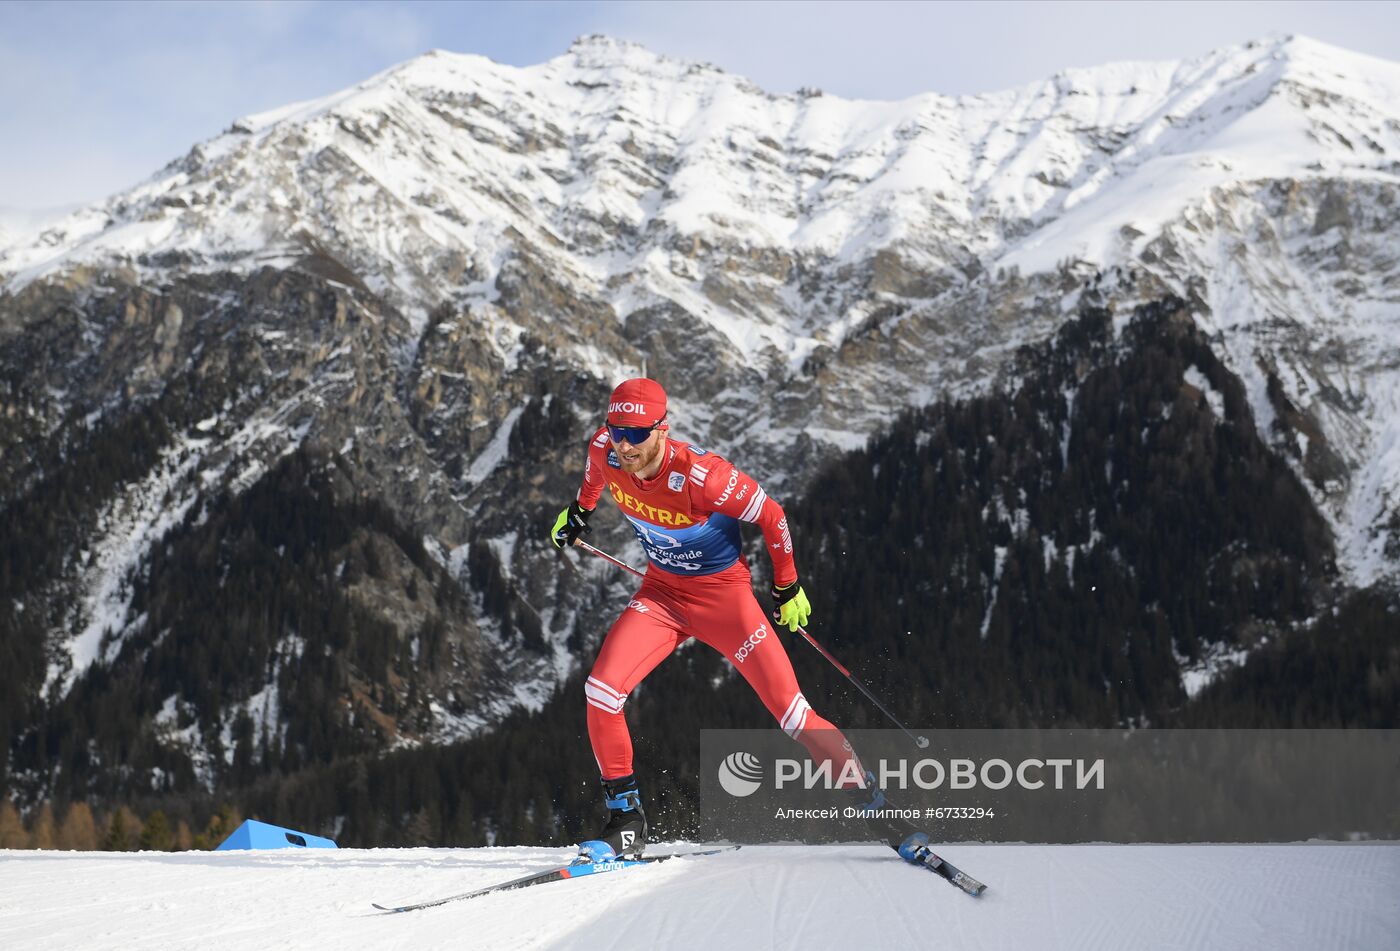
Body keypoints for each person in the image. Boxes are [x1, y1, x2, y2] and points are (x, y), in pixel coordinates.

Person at [550, 377, 870, 863]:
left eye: (637, 433)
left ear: (663, 429)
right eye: (617, 429)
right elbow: (596, 476)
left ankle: (873, 803)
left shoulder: (703, 477)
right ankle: (627, 823)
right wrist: (579, 512)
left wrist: (787, 585)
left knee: (793, 715)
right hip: (661, 594)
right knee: (601, 691)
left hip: (724, 601)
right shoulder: (606, 450)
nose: (624, 443)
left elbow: (773, 515)